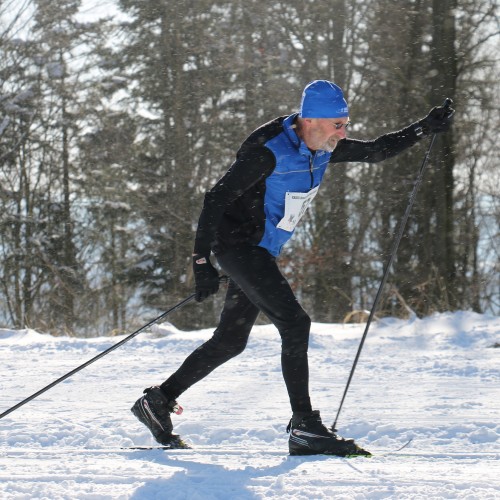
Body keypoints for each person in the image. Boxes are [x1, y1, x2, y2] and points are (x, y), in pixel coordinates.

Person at [131, 80, 454, 456]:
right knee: (295, 324)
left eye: (345, 124)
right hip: (238, 246)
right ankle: (304, 426)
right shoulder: (270, 153)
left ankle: (158, 400)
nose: (344, 132)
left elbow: (376, 151)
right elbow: (215, 197)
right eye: (338, 125)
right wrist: (201, 262)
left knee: (231, 340)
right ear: (311, 120)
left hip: (259, 250)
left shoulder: (320, 149)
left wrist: (423, 127)